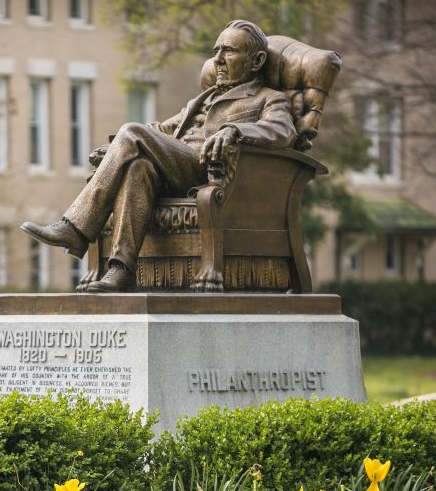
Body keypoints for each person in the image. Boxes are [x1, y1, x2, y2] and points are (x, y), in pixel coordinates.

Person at [20, 19, 297, 292]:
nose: (219, 60)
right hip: (174, 170)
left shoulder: (267, 98)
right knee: (137, 166)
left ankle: (75, 229)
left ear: (257, 60)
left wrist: (234, 130)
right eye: (216, 52)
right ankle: (121, 270)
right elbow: (162, 129)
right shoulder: (202, 99)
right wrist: (119, 149)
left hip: (210, 171)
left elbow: (282, 130)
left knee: (131, 132)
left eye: (229, 51)